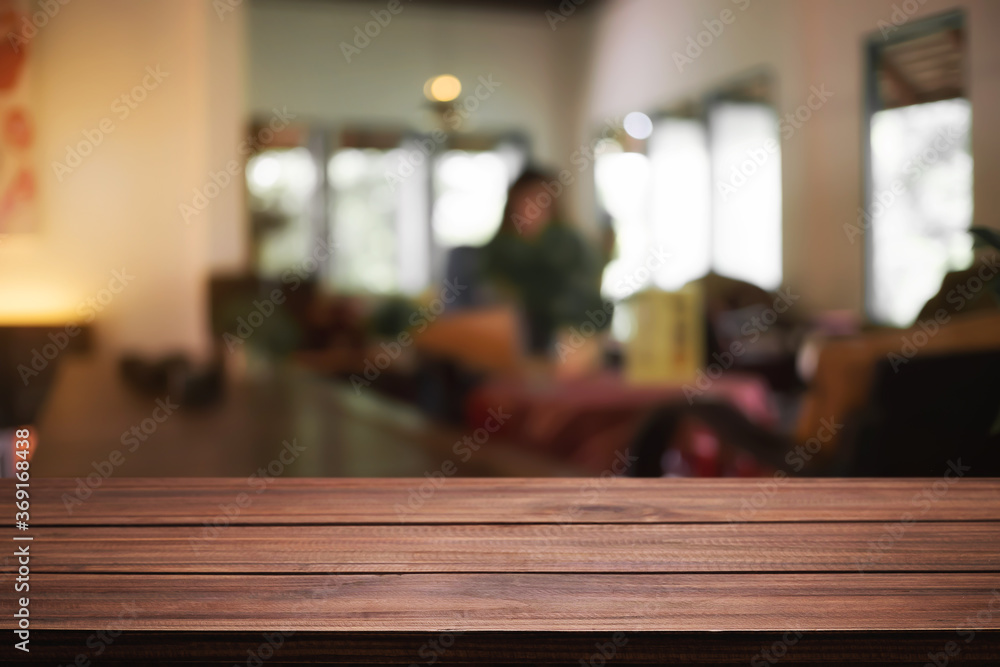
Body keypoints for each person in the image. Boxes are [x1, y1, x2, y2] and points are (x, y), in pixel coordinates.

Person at [446, 167, 607, 356]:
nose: (533, 211)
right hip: (495, 357)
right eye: (526, 202)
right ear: (511, 207)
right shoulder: (480, 260)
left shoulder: (572, 255)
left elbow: (591, 313)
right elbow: (459, 322)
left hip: (555, 360)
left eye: (542, 204)